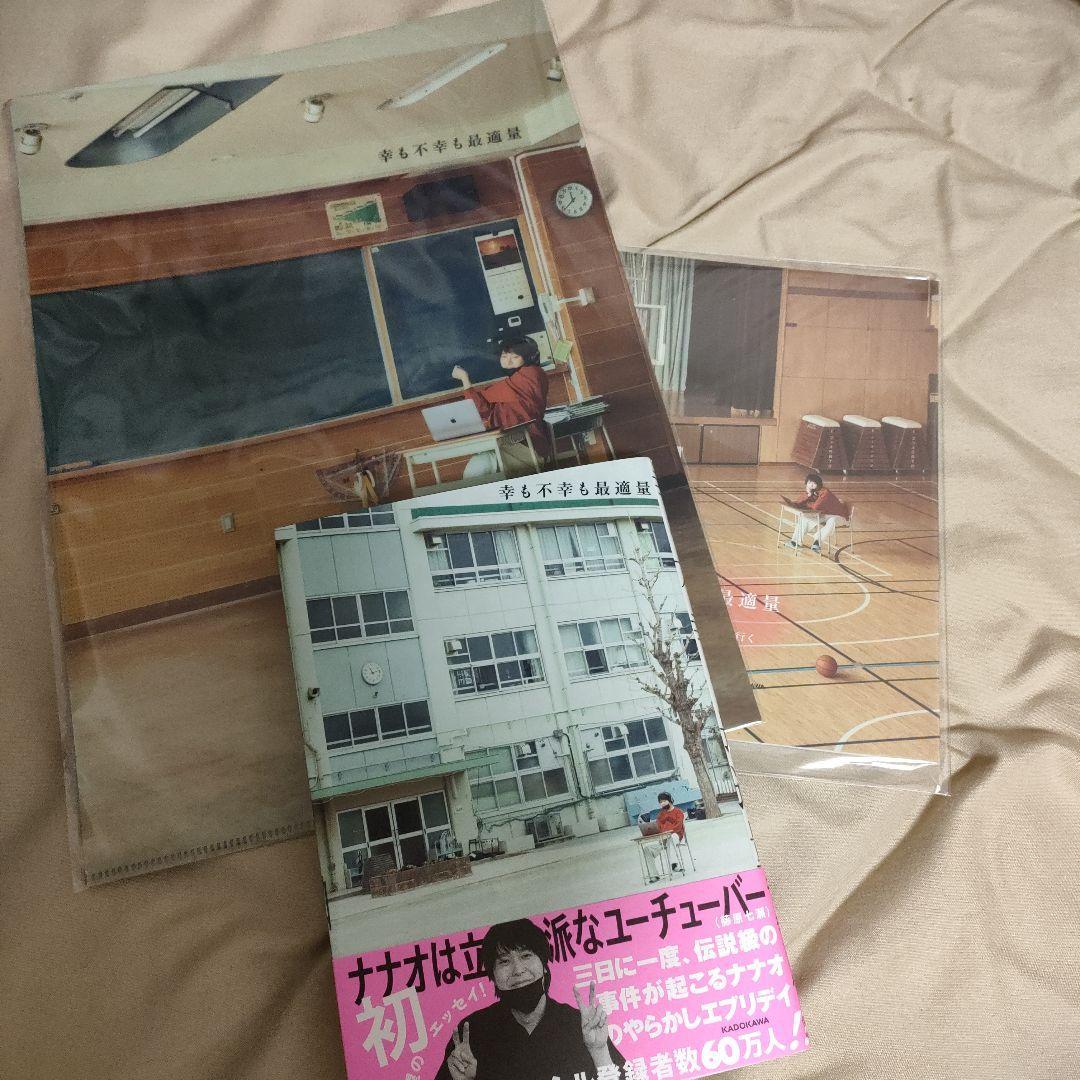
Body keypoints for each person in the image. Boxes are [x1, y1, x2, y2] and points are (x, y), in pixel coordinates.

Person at [435, 918, 624, 1080]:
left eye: (526, 955)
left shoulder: (579, 1025)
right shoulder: (473, 1032)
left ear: (544, 965)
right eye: (504, 961)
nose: (518, 970)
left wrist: (599, 1051)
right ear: (493, 975)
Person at [450, 338, 550, 480]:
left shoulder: (530, 374)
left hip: (526, 447)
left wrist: (464, 378)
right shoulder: (515, 379)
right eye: (504, 356)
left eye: (514, 357)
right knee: (479, 466)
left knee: (479, 466)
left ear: (528, 357)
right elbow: (482, 408)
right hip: (511, 443)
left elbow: (480, 403)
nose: (508, 361)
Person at [781, 471, 851, 553]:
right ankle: (795, 542)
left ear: (819, 484)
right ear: (806, 484)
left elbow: (815, 507)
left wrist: (808, 501)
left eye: (814, 483)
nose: (811, 485)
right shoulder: (813, 492)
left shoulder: (825, 492)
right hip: (825, 515)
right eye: (809, 483)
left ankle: (817, 542)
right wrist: (808, 495)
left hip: (839, 516)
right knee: (805, 518)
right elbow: (799, 503)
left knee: (832, 522)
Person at [640, 791, 686, 884]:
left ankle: (674, 865)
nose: (662, 803)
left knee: (671, 838)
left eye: (664, 801)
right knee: (647, 850)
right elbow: (658, 827)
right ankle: (654, 875)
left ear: (670, 800)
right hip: (663, 840)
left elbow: (678, 827)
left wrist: (668, 833)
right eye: (660, 802)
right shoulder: (661, 814)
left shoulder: (678, 812)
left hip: (676, 837)